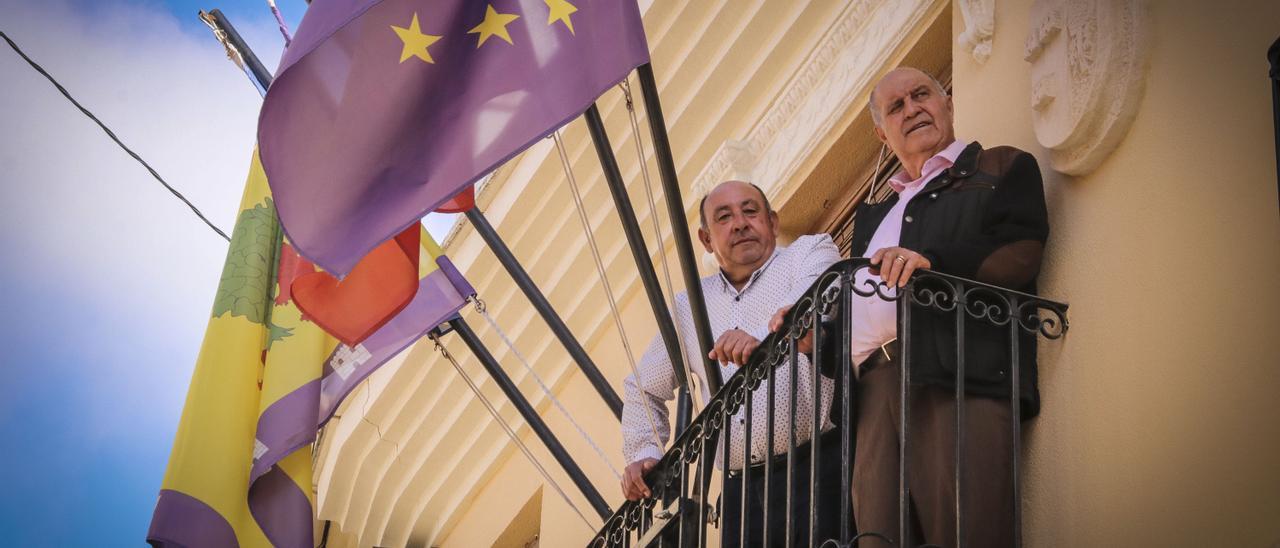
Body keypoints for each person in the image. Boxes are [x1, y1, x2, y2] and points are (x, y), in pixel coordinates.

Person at [837, 67, 1049, 547]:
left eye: (921, 95)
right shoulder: (874, 216)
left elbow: (1021, 248)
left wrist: (932, 263)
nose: (912, 109)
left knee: (968, 530)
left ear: (947, 104)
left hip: (957, 375)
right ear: (882, 132)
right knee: (879, 538)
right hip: (872, 394)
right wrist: (814, 336)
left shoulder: (998, 167)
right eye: (896, 107)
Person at [619, 180, 843, 546]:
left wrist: (758, 338)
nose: (739, 223)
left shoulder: (809, 251)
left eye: (750, 211)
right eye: (724, 217)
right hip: (742, 494)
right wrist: (644, 453)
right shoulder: (689, 306)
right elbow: (642, 387)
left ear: (771, 221)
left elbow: (811, 302)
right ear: (706, 240)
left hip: (818, 466)